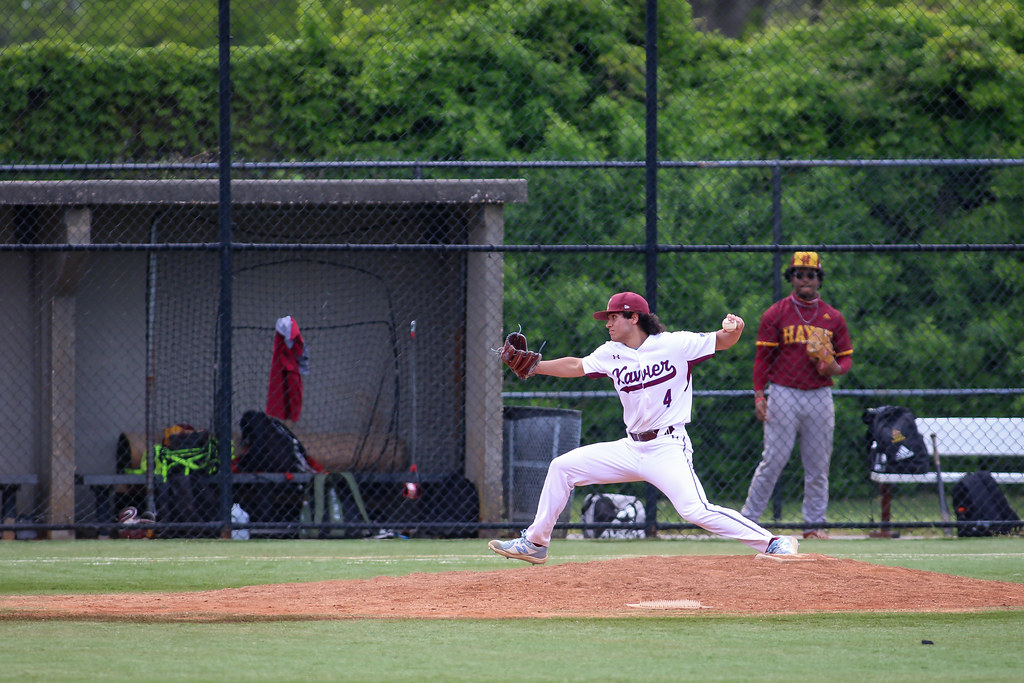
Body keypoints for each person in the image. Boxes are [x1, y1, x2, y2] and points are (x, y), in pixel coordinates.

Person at [488, 291, 799, 564]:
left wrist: (735, 328)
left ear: (633, 317)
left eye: (613, 317)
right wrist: (536, 366)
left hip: (667, 446)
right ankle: (535, 543)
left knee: (695, 510)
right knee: (562, 467)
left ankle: (773, 542)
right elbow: (578, 365)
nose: (607, 323)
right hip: (631, 447)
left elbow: (723, 340)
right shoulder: (610, 353)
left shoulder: (676, 344)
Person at [741, 252, 853, 540]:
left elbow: (846, 361)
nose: (805, 279)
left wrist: (833, 368)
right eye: (799, 274)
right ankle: (748, 520)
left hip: (819, 394)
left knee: (817, 465)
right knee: (773, 460)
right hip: (783, 393)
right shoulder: (776, 313)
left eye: (811, 274)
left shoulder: (833, 317)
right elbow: (762, 359)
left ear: (819, 279)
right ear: (791, 278)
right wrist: (758, 395)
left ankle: (814, 525)